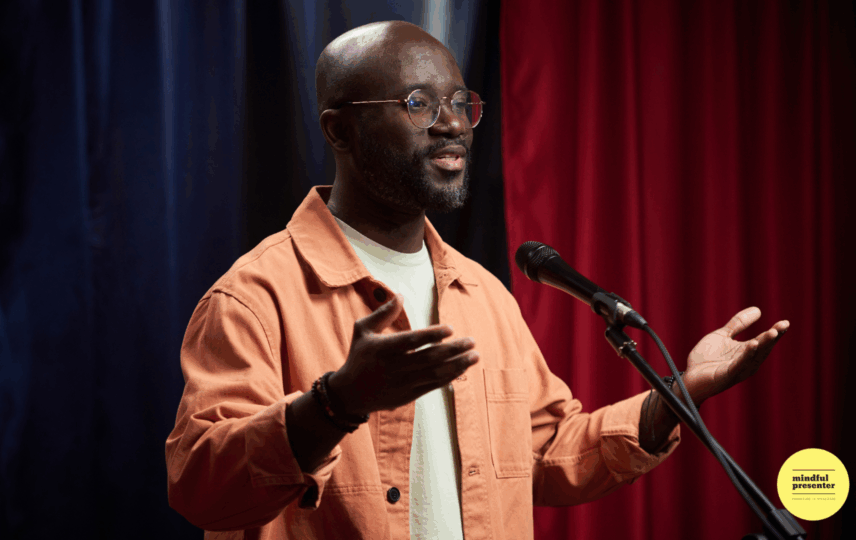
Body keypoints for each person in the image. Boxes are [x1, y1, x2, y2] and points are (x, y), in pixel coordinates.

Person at [165, 21, 789, 540]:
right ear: (340, 130)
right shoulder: (252, 297)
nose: (453, 125)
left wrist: (677, 395)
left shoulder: (483, 295)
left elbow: (546, 454)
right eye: (417, 104)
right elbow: (201, 489)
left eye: (462, 104)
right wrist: (336, 404)